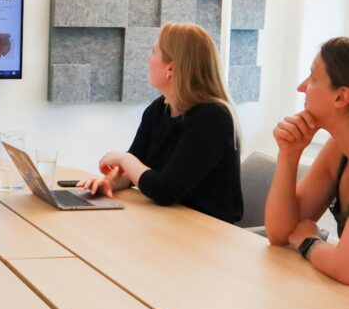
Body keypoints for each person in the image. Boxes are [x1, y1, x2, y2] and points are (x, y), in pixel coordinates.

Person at [78, 22, 243, 223]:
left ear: (171, 68)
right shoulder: (159, 109)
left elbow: (165, 190)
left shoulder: (213, 119)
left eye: (153, 52)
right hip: (170, 222)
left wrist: (123, 159)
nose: (149, 59)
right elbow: (133, 172)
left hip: (206, 232)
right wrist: (109, 182)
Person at [264, 37, 349, 283]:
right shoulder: (338, 149)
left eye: (312, 78)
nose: (302, 87)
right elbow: (280, 232)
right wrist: (289, 156)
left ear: (340, 96)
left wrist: (309, 242)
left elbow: (345, 269)